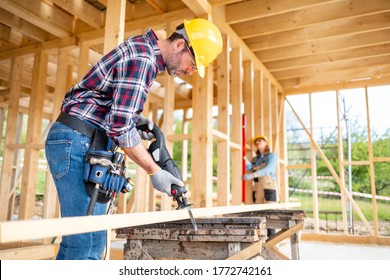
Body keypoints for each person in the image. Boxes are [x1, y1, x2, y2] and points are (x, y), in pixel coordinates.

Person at [45, 18, 223, 260]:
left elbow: (114, 110)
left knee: (79, 241)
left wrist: (137, 121)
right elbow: (119, 126)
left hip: (81, 138)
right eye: (193, 63)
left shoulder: (142, 50)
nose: (190, 72)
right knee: (87, 246)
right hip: (79, 140)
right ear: (180, 44)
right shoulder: (144, 59)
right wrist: (153, 171)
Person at [242, 135, 279, 239]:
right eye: (256, 142)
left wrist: (253, 175)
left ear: (266, 143)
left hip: (269, 186)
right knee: (258, 213)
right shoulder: (255, 159)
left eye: (260, 141)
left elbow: (268, 169)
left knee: (269, 214)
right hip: (258, 187)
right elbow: (250, 167)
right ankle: (262, 241)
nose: (257, 143)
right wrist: (244, 160)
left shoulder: (272, 156)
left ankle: (272, 241)